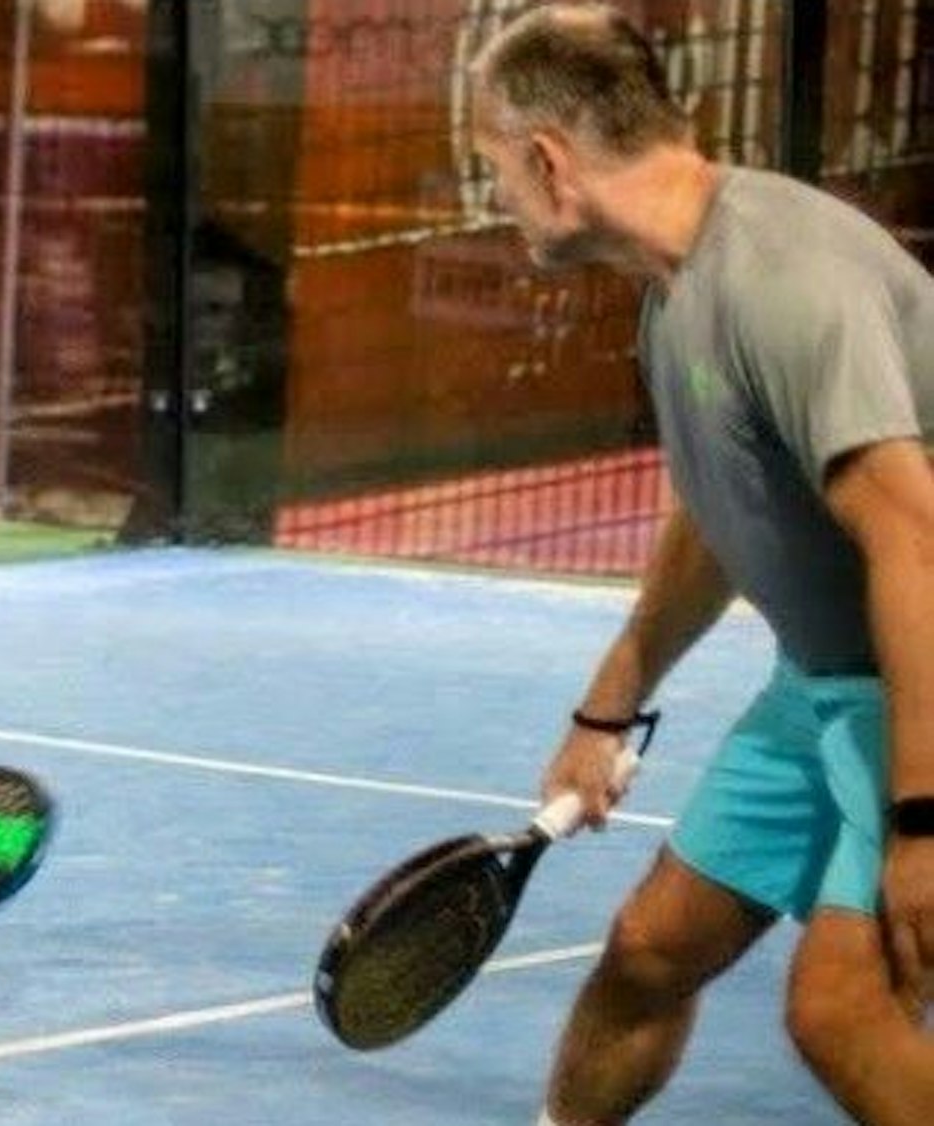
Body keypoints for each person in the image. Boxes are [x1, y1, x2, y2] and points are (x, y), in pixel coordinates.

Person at [470, 5, 934, 1123]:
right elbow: (721, 508)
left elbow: (913, 538)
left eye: (488, 168)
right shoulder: (674, 292)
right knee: (647, 950)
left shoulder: (783, 280)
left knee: (841, 1011)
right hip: (827, 685)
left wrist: (923, 821)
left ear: (547, 161)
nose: (492, 199)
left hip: (917, 677)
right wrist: (605, 708)